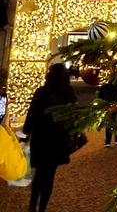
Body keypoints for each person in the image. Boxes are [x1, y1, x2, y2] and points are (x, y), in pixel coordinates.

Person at [23, 63, 77, 212]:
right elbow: (73, 115)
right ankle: (42, 207)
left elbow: (32, 114)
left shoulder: (42, 92)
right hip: (57, 139)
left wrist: (26, 133)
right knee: (49, 175)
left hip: (41, 137)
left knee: (40, 172)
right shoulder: (68, 92)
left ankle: (33, 202)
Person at [0, 98, 28, 181]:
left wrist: (7, 114)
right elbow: (5, 126)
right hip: (16, 167)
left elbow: (5, 127)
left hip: (17, 167)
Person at [98, 79, 117, 147]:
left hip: (108, 106)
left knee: (109, 123)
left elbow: (100, 96)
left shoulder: (105, 86)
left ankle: (108, 141)